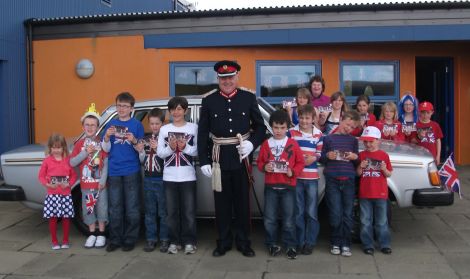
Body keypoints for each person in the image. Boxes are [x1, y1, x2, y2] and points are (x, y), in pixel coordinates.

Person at [198, 60, 266, 257]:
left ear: (237, 77)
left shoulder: (248, 97)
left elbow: (260, 127)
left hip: (241, 157)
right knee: (222, 204)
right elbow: (203, 133)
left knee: (243, 203)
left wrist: (252, 143)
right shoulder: (209, 101)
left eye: (230, 77)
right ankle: (223, 242)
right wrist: (204, 160)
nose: (227, 81)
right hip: (219, 159)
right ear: (218, 79)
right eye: (223, 78)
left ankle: (244, 242)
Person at [257, 110, 304, 260]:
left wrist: (293, 172)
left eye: (282, 127)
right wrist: (265, 167)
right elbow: (260, 163)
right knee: (269, 219)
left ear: (287, 128)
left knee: (289, 219)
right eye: (276, 127)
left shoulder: (292, 144)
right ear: (271, 127)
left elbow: (300, 162)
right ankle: (272, 244)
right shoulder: (266, 144)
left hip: (288, 187)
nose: (278, 130)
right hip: (271, 187)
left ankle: (290, 245)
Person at [102, 92, 144, 252]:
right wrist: (106, 137)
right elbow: (105, 149)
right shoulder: (111, 124)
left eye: (125, 106)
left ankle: (130, 239)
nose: (121, 109)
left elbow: (141, 151)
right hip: (114, 171)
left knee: (132, 207)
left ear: (131, 108)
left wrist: (134, 140)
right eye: (119, 105)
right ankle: (115, 239)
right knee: (115, 207)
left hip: (131, 170)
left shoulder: (137, 125)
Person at [157, 96, 198, 255]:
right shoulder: (164, 130)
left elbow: (197, 151)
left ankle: (189, 241)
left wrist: (185, 146)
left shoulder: (193, 128)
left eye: (180, 109)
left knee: (188, 212)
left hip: (188, 176)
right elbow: (160, 153)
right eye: (173, 109)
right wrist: (171, 148)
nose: (176, 112)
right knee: (171, 213)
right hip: (169, 177)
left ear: (185, 111)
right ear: (169, 111)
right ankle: (174, 241)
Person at [320, 110, 360, 257]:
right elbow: (322, 158)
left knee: (348, 214)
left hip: (348, 179)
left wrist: (355, 156)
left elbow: (357, 161)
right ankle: (335, 242)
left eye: (352, 127)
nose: (348, 128)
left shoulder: (353, 140)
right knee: (335, 213)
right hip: (332, 179)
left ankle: (346, 243)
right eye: (348, 124)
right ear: (342, 120)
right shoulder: (328, 139)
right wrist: (327, 156)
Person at [70, 103, 108, 249]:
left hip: (100, 185)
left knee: (102, 209)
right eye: (87, 124)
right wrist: (85, 152)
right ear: (83, 127)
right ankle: (91, 234)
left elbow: (106, 162)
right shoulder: (79, 144)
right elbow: (73, 162)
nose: (90, 127)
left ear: (98, 127)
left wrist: (103, 180)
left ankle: (101, 234)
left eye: (93, 125)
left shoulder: (102, 143)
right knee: (88, 209)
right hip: (86, 185)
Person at [287, 105, 323, 255]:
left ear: (313, 118)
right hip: (297, 177)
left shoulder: (319, 134)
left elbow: (320, 153)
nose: (304, 121)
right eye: (301, 117)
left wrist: (313, 157)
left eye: (307, 118)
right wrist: (300, 159)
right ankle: (300, 241)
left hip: (311, 177)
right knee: (299, 211)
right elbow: (287, 151)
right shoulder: (291, 133)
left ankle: (310, 242)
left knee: (311, 212)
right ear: (297, 117)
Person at [136, 108, 169, 253]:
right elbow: (142, 161)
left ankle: (164, 239)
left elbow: (168, 159)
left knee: (163, 212)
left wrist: (159, 149)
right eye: (152, 124)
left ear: (162, 123)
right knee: (150, 212)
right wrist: (141, 151)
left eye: (157, 123)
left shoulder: (166, 139)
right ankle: (151, 239)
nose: (155, 126)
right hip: (148, 179)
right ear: (149, 124)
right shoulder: (145, 139)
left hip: (162, 179)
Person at [357, 126, 393, 255]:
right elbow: (358, 174)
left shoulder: (384, 155)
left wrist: (383, 169)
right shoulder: (361, 155)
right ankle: (368, 244)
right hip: (365, 193)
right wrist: (360, 167)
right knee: (365, 220)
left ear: (378, 141)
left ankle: (384, 244)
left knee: (382, 221)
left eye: (371, 141)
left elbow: (389, 174)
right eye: (365, 141)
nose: (368, 144)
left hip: (380, 193)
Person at [38, 133, 77, 250]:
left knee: (66, 218)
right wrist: (47, 184)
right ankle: (54, 241)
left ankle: (65, 240)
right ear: (50, 148)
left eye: (58, 147)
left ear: (63, 148)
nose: (56, 150)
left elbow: (73, 176)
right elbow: (41, 176)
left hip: (66, 195)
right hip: (52, 195)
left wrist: (69, 184)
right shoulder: (47, 161)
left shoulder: (68, 161)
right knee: (53, 218)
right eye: (53, 147)